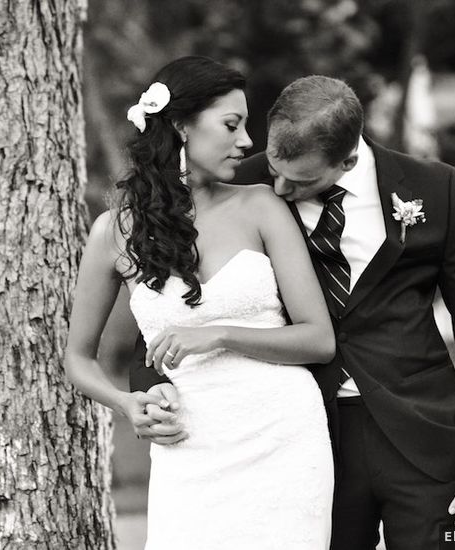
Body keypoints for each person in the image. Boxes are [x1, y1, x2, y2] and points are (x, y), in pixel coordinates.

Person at [131, 76, 455, 550]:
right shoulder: (241, 185)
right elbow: (170, 307)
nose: (278, 186)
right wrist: (150, 387)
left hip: (425, 439)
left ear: (348, 159)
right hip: (298, 445)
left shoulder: (432, 187)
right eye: (274, 168)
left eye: (299, 182)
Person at [64, 57, 338, 549]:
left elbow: (319, 339)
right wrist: (129, 405)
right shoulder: (113, 232)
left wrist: (219, 333)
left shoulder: (261, 206)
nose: (247, 140)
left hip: (284, 441)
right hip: (187, 445)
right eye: (231, 124)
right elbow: (77, 358)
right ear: (180, 125)